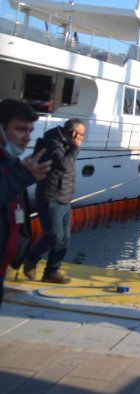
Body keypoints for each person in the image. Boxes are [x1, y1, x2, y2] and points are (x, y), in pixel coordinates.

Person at [0, 99, 51, 306]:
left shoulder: (12, 165)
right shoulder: (17, 172)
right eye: (21, 129)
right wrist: (23, 177)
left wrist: (20, 245)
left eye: (30, 131)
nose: (27, 138)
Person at [22, 118, 85, 284]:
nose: (82, 139)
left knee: (64, 239)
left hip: (65, 198)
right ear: (73, 134)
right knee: (54, 236)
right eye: (81, 135)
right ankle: (31, 258)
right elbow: (65, 164)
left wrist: (72, 148)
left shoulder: (66, 144)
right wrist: (75, 147)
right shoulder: (51, 143)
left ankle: (51, 272)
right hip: (50, 197)